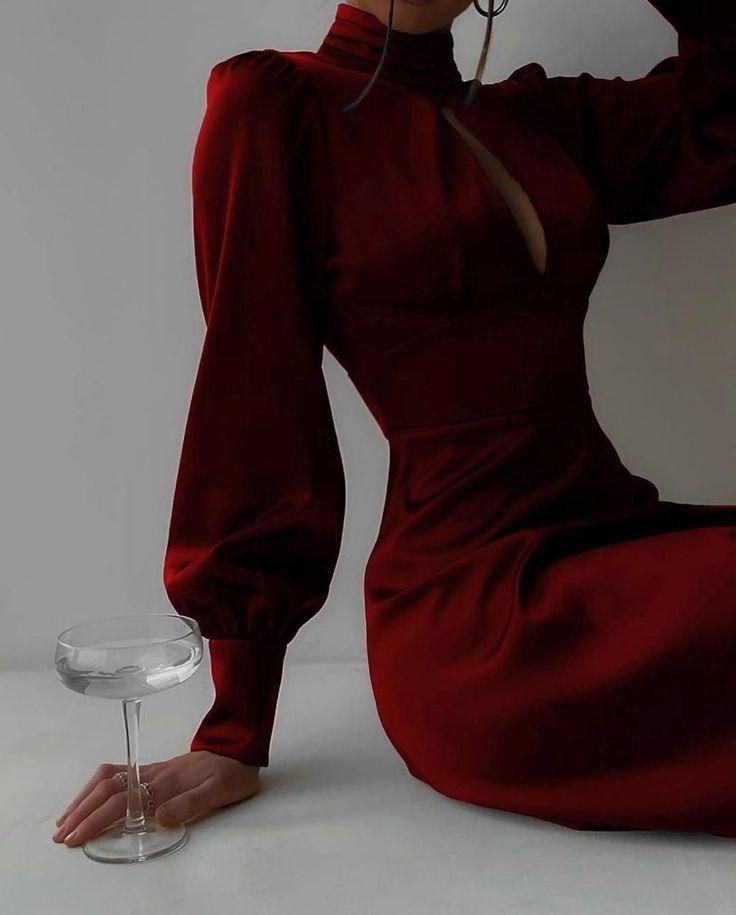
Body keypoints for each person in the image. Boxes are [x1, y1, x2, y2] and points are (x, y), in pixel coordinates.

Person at [53, 0, 736, 848]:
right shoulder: (277, 107)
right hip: (475, 625)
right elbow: (252, 402)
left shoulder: (537, 118)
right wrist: (236, 725)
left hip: (612, 538)